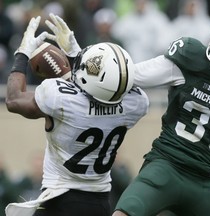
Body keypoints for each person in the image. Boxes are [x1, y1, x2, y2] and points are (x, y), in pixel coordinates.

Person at [47, 13, 210, 216]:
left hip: (205, 182)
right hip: (166, 166)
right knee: (123, 213)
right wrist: (78, 55)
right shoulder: (192, 58)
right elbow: (125, 75)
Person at [5, 14, 149, 216]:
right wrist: (76, 54)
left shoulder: (61, 99)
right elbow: (98, 89)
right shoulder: (135, 103)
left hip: (60, 200)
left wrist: (22, 54)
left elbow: (13, 100)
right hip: (100, 202)